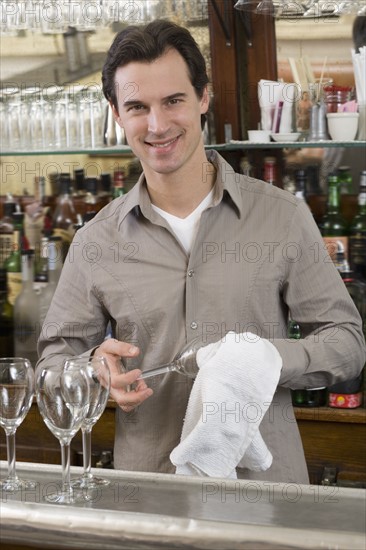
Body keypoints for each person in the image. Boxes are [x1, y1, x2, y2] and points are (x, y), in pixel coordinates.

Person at [37, 20, 365, 483]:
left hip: (265, 497)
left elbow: (347, 344)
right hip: (151, 496)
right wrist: (94, 371)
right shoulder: (96, 240)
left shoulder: (281, 215)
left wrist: (265, 359)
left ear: (203, 97)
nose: (157, 125)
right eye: (137, 107)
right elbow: (53, 364)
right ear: (116, 113)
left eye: (173, 101)